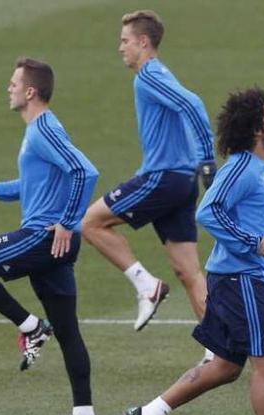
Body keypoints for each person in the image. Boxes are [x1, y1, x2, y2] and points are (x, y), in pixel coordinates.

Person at [121, 88, 264, 415]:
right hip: (241, 279)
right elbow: (208, 212)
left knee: (225, 366)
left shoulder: (259, 168)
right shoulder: (242, 167)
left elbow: (238, 214)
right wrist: (251, 241)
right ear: (258, 129)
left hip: (237, 277)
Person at [0, 58, 100, 415]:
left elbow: (86, 171)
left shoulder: (42, 131)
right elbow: (34, 183)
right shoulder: (43, 128)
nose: (9, 88)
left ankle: (31, 327)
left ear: (30, 91)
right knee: (68, 331)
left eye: (14, 82)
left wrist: (67, 222)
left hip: (43, 238)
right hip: (54, 245)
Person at [81, 10, 216, 348]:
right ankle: (220, 347)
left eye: (125, 40)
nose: (120, 47)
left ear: (143, 42)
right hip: (180, 182)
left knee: (90, 223)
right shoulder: (156, 74)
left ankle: (146, 286)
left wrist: (207, 160)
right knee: (188, 271)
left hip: (163, 178)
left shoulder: (149, 76)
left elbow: (193, 104)